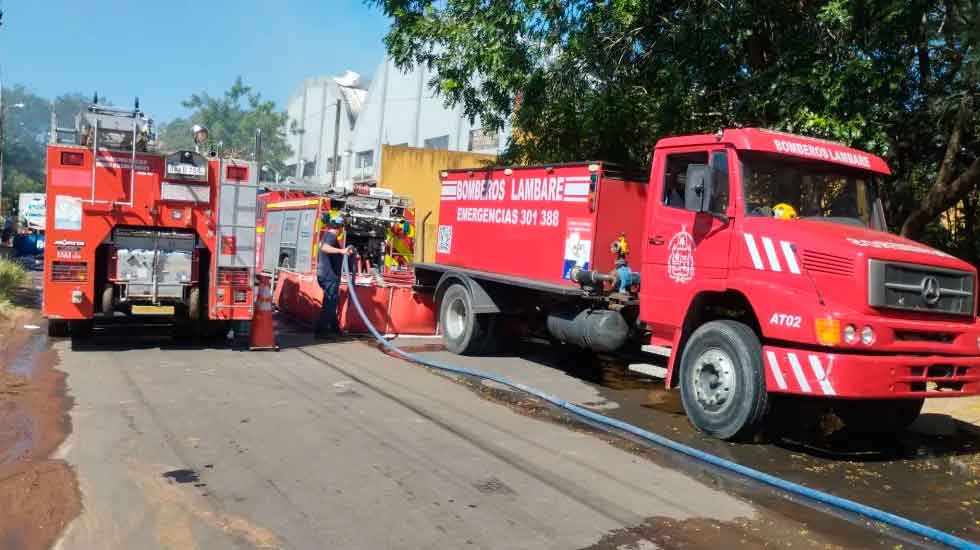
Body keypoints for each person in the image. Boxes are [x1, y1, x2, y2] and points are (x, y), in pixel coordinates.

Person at [315, 214, 353, 339]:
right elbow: (325, 248)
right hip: (329, 275)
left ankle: (334, 328)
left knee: (331, 302)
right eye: (342, 227)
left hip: (325, 274)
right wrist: (341, 251)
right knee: (330, 303)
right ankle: (322, 332)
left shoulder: (326, 234)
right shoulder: (331, 236)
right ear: (340, 227)